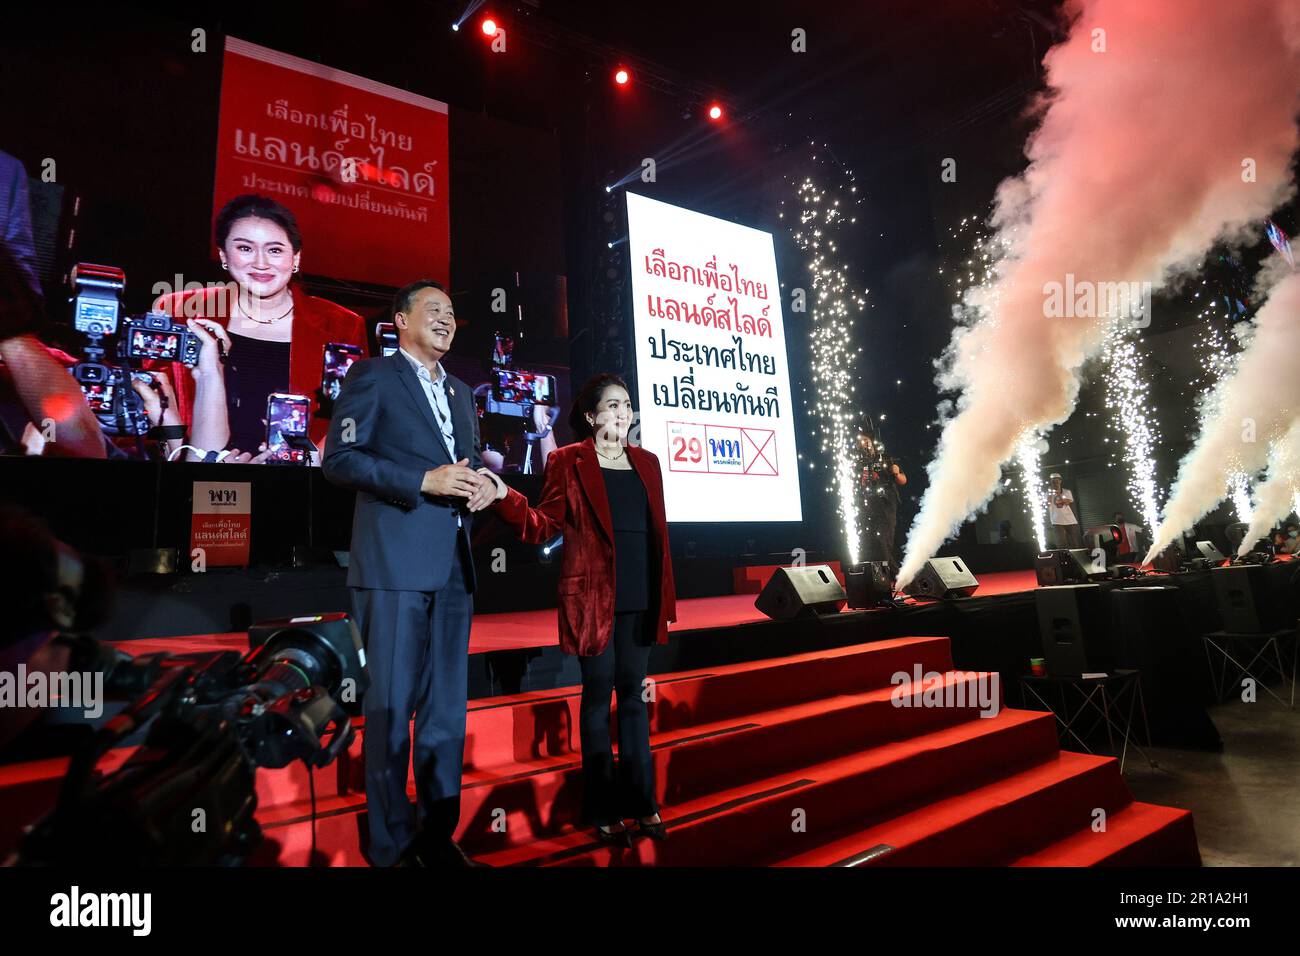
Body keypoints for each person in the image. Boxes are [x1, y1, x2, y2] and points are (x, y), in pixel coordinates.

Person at [322, 279, 499, 867]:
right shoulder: (372, 377)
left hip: (454, 566)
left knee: (446, 712)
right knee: (392, 710)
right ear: (400, 320)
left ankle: (435, 840)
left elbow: (467, 465)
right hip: (394, 564)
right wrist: (422, 482)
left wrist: (487, 484)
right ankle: (392, 850)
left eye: (452, 312)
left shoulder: (462, 391)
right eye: (433, 311)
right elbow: (340, 460)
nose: (446, 319)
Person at [477, 373, 677, 847]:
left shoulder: (648, 462)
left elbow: (657, 534)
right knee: (597, 698)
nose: (622, 413)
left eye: (626, 404)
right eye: (611, 405)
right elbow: (544, 524)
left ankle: (644, 803)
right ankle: (603, 809)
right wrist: (506, 496)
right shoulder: (568, 460)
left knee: (633, 698)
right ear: (590, 416)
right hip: (592, 598)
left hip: (642, 596)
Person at [153, 194, 367, 462]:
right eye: (245, 248)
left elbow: (355, 413)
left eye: (275, 250)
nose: (261, 262)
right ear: (224, 255)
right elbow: (155, 400)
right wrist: (184, 460)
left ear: (296, 258)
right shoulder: (182, 311)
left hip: (298, 487)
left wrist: (313, 461)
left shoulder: (340, 324)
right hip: (203, 478)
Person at [858, 431, 907, 563]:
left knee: (883, 540)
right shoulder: (859, 464)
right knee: (870, 542)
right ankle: (879, 574)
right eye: (860, 444)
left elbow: (903, 480)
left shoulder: (884, 458)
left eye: (866, 442)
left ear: (872, 442)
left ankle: (891, 573)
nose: (864, 446)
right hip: (868, 507)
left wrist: (896, 474)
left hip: (886, 505)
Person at [1047, 473, 1082, 549]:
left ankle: (1076, 558)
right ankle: (1064, 559)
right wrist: (1050, 494)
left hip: (1070, 520)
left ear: (1060, 481)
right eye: (1053, 482)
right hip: (1057, 521)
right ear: (1051, 482)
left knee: (1074, 542)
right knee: (1061, 543)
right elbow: (1048, 504)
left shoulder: (1067, 492)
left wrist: (1059, 494)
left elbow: (1067, 502)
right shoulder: (1048, 493)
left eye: (1056, 481)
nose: (1055, 483)